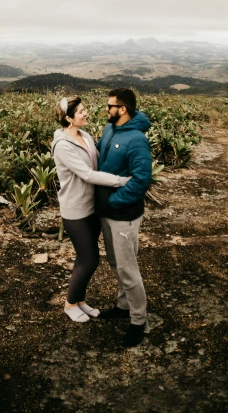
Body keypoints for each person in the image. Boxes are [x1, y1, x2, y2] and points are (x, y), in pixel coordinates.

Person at [51, 95, 131, 323]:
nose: (86, 113)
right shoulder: (63, 147)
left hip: (91, 207)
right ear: (68, 118)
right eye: (80, 112)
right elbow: (87, 174)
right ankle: (69, 304)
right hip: (75, 212)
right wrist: (121, 181)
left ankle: (79, 301)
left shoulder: (84, 135)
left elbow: (98, 160)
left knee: (82, 259)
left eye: (84, 110)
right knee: (90, 259)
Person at [95, 87, 152, 348]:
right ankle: (123, 305)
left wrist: (113, 202)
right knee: (117, 263)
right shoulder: (110, 130)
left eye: (110, 106)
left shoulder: (137, 140)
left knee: (128, 269)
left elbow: (141, 180)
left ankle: (138, 320)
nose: (106, 109)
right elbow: (97, 155)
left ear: (123, 109)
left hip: (124, 214)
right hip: (107, 212)